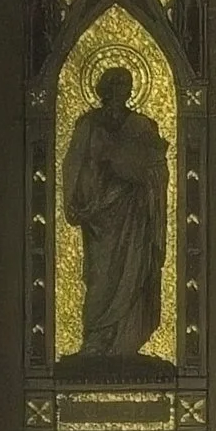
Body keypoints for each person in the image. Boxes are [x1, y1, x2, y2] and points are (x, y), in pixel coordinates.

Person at [61, 59, 169, 363]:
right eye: (116, 84)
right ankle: (96, 338)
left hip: (133, 214)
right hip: (100, 216)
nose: (122, 90)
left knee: (133, 271)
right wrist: (88, 193)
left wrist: (140, 172)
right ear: (104, 89)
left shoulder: (142, 126)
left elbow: (156, 167)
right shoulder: (89, 125)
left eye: (126, 85)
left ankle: (125, 340)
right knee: (102, 275)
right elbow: (75, 165)